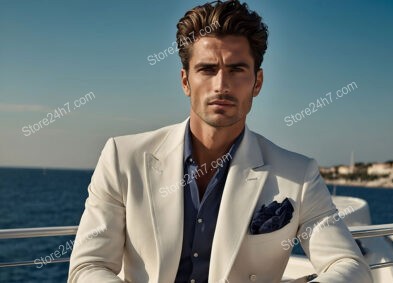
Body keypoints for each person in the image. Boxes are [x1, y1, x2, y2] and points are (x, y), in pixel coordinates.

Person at [68, 1, 373, 282]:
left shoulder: (298, 174)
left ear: (258, 82)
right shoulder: (123, 157)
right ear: (186, 80)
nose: (222, 85)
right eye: (207, 69)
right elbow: (88, 266)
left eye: (236, 69)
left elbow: (349, 265)